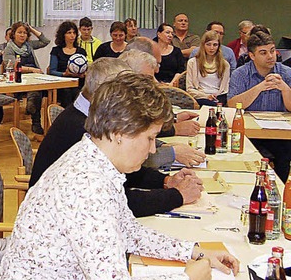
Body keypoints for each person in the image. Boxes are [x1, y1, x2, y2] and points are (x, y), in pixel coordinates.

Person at [0, 72, 240, 280]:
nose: (153, 150)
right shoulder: (86, 186)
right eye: (150, 138)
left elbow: (127, 230)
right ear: (120, 132)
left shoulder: (95, 160)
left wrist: (193, 251)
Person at [30, 57, 204, 217]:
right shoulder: (82, 130)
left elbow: (125, 175)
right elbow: (121, 203)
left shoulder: (91, 119)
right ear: (108, 95)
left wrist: (166, 181)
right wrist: (176, 196)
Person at [228, 31, 291, 182]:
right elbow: (232, 105)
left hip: (281, 134)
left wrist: (285, 89)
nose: (270, 56)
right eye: (263, 53)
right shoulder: (241, 74)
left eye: (272, 51)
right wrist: (260, 87)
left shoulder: (287, 73)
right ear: (251, 56)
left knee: (284, 158)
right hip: (251, 134)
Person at [3, 22, 50, 135]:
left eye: (25, 33)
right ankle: (36, 122)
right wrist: (32, 70)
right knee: (35, 90)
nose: (22, 35)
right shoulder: (9, 48)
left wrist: (32, 29)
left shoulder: (28, 45)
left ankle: (32, 106)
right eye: (19, 32)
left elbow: (45, 41)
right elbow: (13, 65)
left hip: (36, 77)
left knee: (38, 89)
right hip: (19, 79)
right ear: (13, 34)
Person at [48, 21, 87, 107]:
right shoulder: (56, 51)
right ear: (63, 35)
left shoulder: (81, 51)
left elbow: (85, 70)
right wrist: (64, 74)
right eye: (69, 33)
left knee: (79, 93)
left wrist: (82, 74)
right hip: (61, 85)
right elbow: (52, 71)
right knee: (67, 92)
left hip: (78, 83)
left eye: (74, 33)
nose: (72, 35)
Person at [186, 30, 230, 106]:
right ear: (203, 45)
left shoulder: (225, 64)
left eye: (215, 45)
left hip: (218, 97)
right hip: (200, 97)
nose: (211, 48)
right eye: (208, 44)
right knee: (210, 105)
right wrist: (206, 96)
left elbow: (225, 89)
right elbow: (189, 89)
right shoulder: (193, 62)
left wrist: (215, 95)